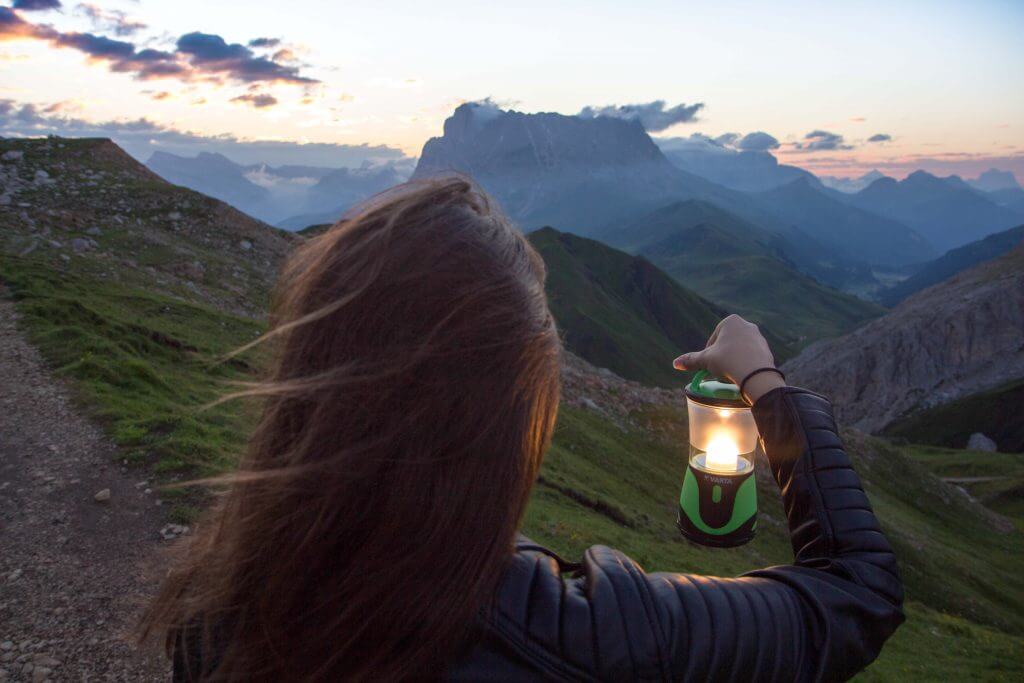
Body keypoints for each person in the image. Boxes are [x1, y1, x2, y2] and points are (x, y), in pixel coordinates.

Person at [142, 177, 904, 681]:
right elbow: (857, 591)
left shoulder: (215, 612)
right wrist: (764, 382)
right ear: (511, 424)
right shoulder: (593, 633)